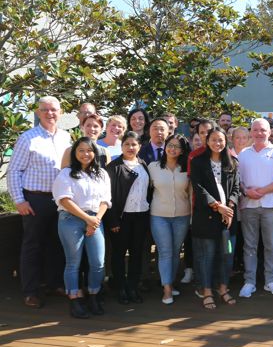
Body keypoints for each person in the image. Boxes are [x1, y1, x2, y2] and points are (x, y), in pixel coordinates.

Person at [8, 96, 73, 308]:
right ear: (38, 113)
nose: (49, 113)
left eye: (53, 109)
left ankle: (54, 284)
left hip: (60, 200)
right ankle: (31, 291)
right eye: (44, 110)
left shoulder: (66, 137)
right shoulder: (28, 138)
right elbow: (14, 171)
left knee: (57, 243)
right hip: (35, 199)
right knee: (32, 246)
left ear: (60, 112)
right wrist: (19, 200)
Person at [52, 137, 112, 318]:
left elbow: (105, 200)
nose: (86, 154)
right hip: (71, 219)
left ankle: (93, 294)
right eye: (81, 150)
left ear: (95, 152)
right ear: (74, 153)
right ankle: (74, 298)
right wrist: (87, 219)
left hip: (95, 220)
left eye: (89, 150)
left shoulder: (101, 174)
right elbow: (64, 200)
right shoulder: (66, 173)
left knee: (98, 263)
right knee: (73, 262)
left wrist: (95, 220)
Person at [237, 118, 273, 298]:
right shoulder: (243, 154)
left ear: (270, 132)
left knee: (270, 245)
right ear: (251, 132)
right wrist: (246, 191)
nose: (259, 133)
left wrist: (260, 191)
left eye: (263, 130)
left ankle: (271, 280)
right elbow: (239, 181)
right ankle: (249, 281)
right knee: (250, 245)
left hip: (271, 206)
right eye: (256, 130)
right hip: (248, 206)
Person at [190, 128, 240, 309]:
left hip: (228, 219)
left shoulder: (233, 162)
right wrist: (218, 207)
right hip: (206, 219)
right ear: (207, 141)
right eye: (213, 140)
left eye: (221, 140)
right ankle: (208, 291)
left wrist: (229, 208)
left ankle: (223, 289)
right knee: (206, 257)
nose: (217, 143)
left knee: (227, 256)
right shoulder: (197, 162)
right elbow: (198, 188)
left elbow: (236, 188)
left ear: (226, 141)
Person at [105, 131, 151, 304]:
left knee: (137, 253)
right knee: (118, 254)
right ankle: (121, 288)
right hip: (121, 219)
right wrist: (113, 221)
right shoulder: (114, 167)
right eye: (127, 144)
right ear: (122, 146)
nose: (131, 148)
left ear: (139, 146)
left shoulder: (143, 164)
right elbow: (107, 196)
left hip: (141, 216)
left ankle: (132, 287)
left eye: (134, 144)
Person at [149, 134, 191, 305]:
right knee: (165, 252)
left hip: (182, 215)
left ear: (182, 151)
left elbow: (191, 193)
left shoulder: (187, 169)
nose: (172, 149)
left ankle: (170, 282)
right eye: (170, 145)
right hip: (159, 215)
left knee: (175, 251)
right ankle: (166, 289)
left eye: (177, 146)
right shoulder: (153, 167)